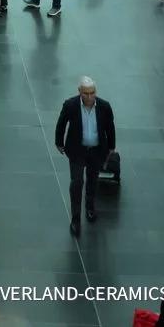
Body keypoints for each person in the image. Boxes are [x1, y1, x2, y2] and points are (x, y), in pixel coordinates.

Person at [55, 76, 116, 237]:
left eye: (92, 93)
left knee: (92, 180)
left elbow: (110, 127)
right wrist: (59, 142)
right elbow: (61, 123)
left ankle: (90, 207)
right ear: (79, 92)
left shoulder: (104, 106)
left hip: (96, 151)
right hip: (77, 151)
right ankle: (75, 219)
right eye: (86, 93)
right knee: (76, 183)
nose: (89, 97)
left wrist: (111, 147)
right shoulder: (70, 105)